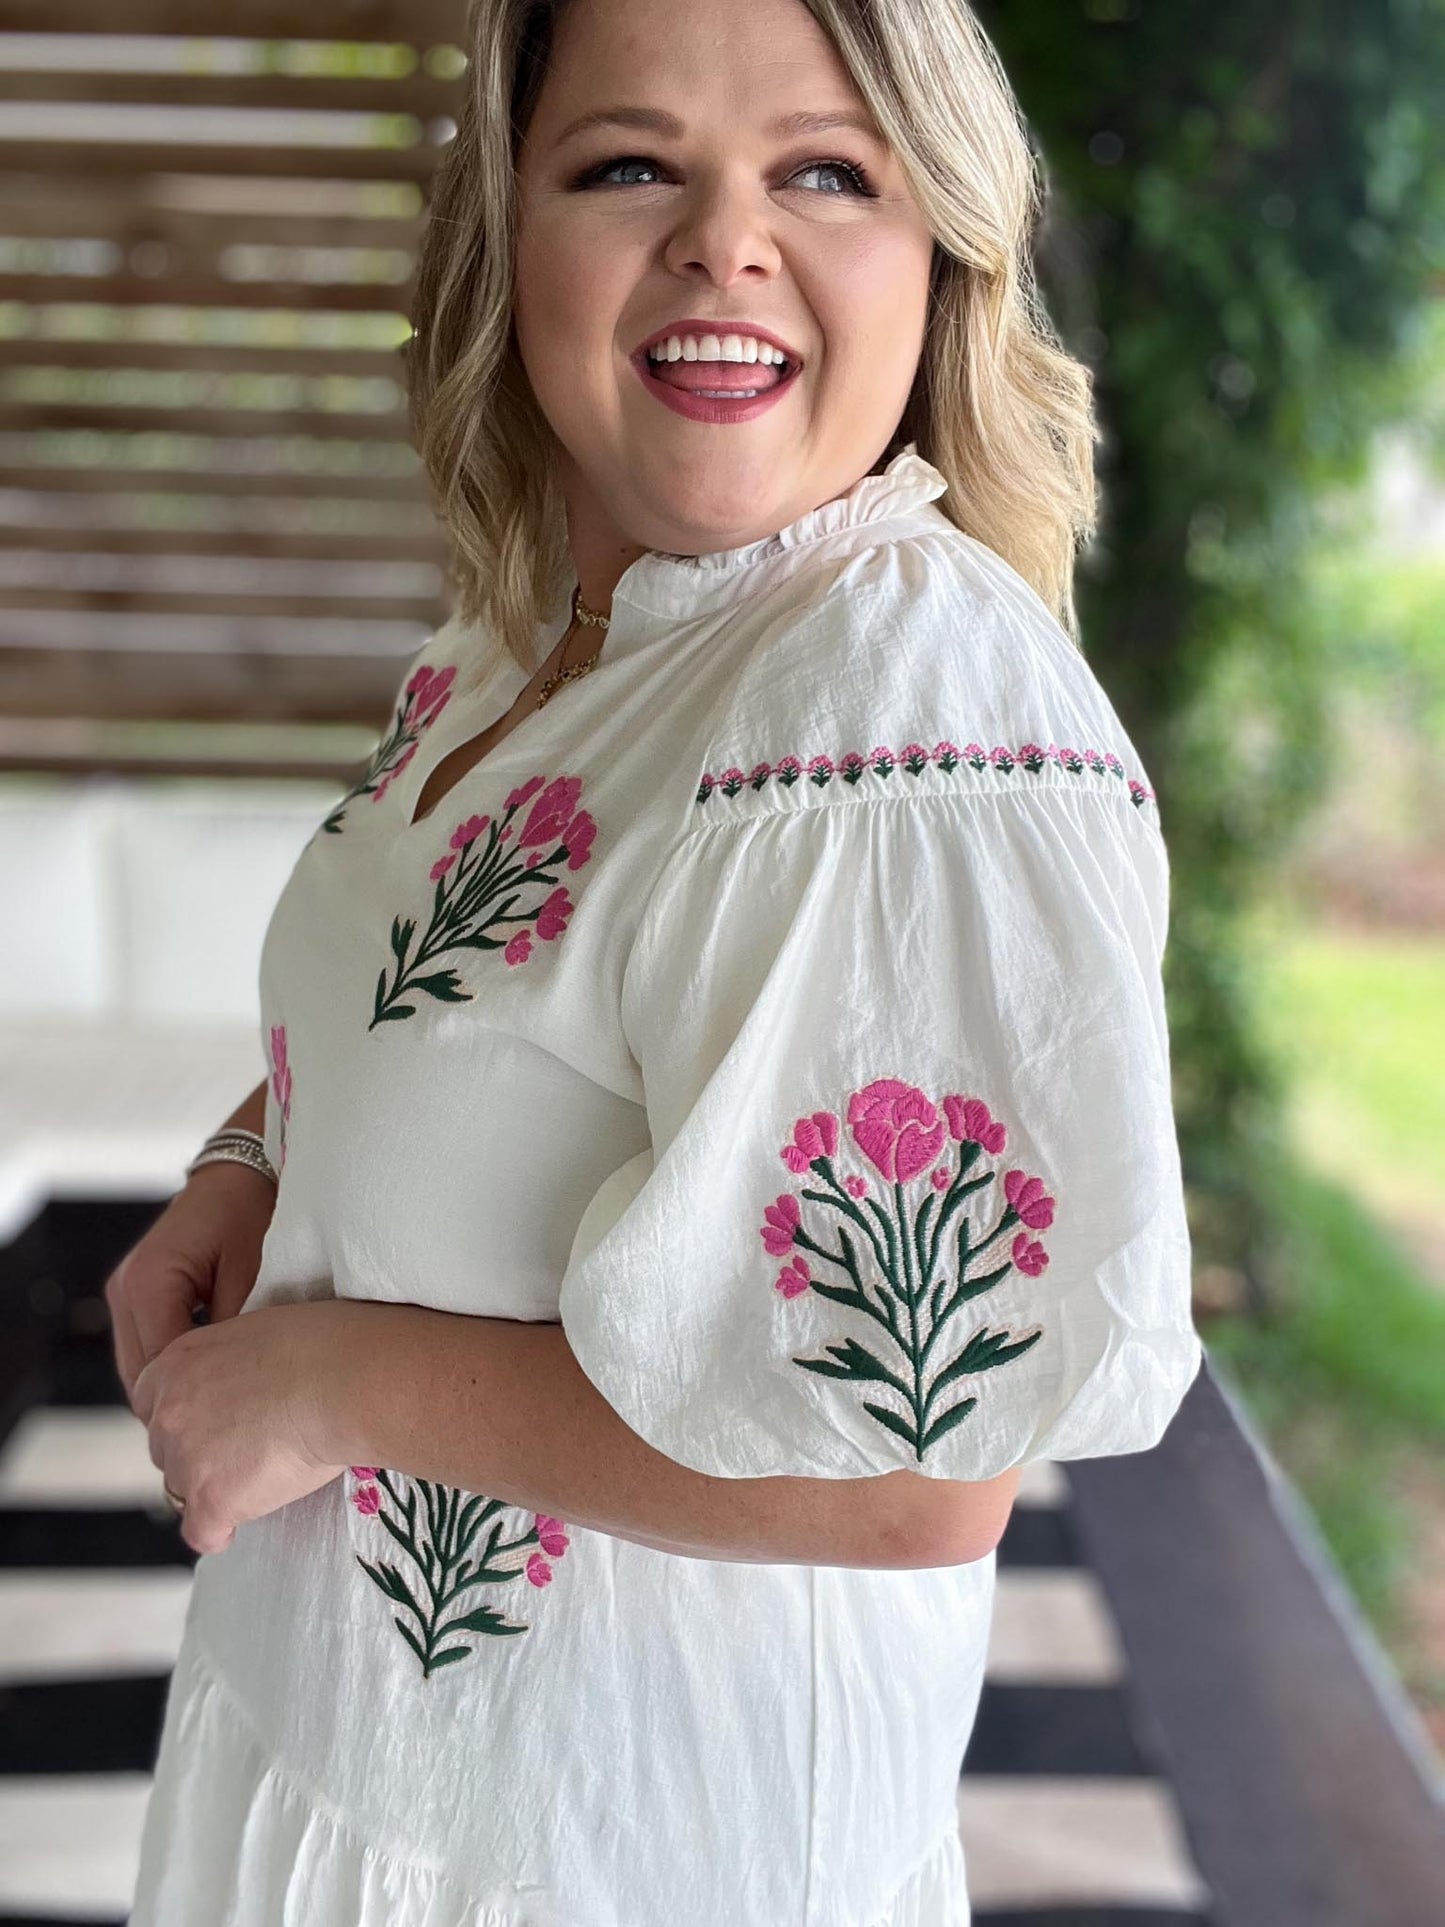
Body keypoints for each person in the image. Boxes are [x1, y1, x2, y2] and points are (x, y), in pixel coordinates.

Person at [115, 1, 1204, 1921]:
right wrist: (251, 1163)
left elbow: (911, 1471)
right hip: (362, 1782)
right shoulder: (536, 636)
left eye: (824, 171)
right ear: (507, 236)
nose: (725, 239)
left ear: (939, 251)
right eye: (628, 165)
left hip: (616, 1856)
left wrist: (330, 1388)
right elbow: (494, 1003)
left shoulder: (890, 721)